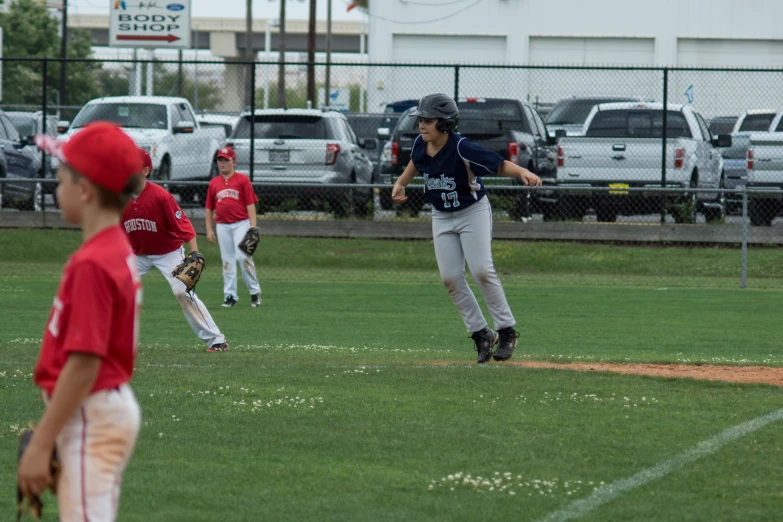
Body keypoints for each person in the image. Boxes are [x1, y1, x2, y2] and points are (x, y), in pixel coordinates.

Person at [17, 122, 145, 521]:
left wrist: (42, 441)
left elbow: (85, 361)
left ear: (85, 190)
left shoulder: (93, 263)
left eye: (61, 179)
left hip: (90, 413)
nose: (57, 190)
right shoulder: (114, 248)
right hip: (97, 409)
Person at [391, 93, 542, 364]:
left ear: (445, 123)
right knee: (450, 278)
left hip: (472, 212)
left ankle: (506, 331)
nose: (421, 125)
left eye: (428, 120)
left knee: (482, 270)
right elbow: (417, 162)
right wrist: (401, 182)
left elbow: (497, 164)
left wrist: (522, 172)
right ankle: (481, 334)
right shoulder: (420, 143)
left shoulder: (461, 147)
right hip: (441, 215)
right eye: (420, 120)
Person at [122, 149, 229, 353]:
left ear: (145, 171)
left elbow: (186, 228)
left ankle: (216, 340)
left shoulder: (161, 197)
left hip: (167, 252)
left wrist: (195, 255)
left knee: (182, 291)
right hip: (136, 255)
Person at [205, 146, 261, 307]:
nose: (222, 163)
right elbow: (209, 208)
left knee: (244, 257)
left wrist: (253, 227)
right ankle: (230, 296)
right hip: (222, 226)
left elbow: (250, 205)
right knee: (227, 261)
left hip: (241, 224)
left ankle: (254, 291)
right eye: (220, 160)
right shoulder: (214, 183)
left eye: (226, 160)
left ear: (234, 162)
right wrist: (209, 229)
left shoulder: (242, 180)